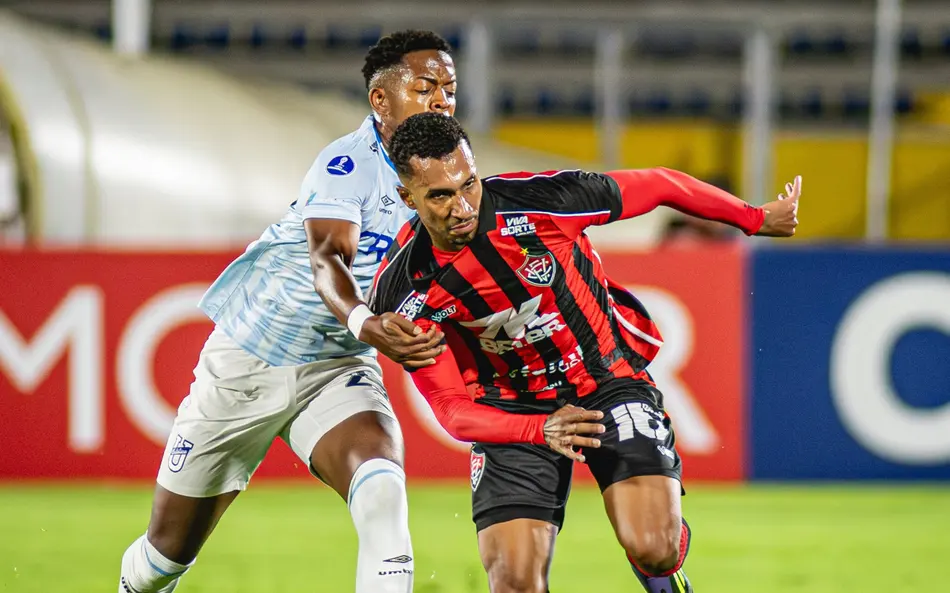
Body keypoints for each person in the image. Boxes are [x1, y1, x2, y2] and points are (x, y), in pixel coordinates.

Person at [370, 113, 801, 593]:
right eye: (440, 196)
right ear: (408, 199)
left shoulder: (541, 201)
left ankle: (664, 572)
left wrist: (755, 217)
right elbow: (451, 409)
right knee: (514, 583)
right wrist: (540, 428)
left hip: (605, 381)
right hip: (512, 409)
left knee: (651, 544)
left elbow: (659, 185)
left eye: (468, 184)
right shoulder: (403, 292)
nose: (462, 206)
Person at [117, 30, 460, 593]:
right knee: (163, 558)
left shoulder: (449, 175)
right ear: (381, 101)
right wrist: (365, 322)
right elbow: (329, 259)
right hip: (250, 361)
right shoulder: (347, 164)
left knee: (381, 493)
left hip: (336, 368)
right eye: (425, 88)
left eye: (449, 88)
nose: (442, 100)